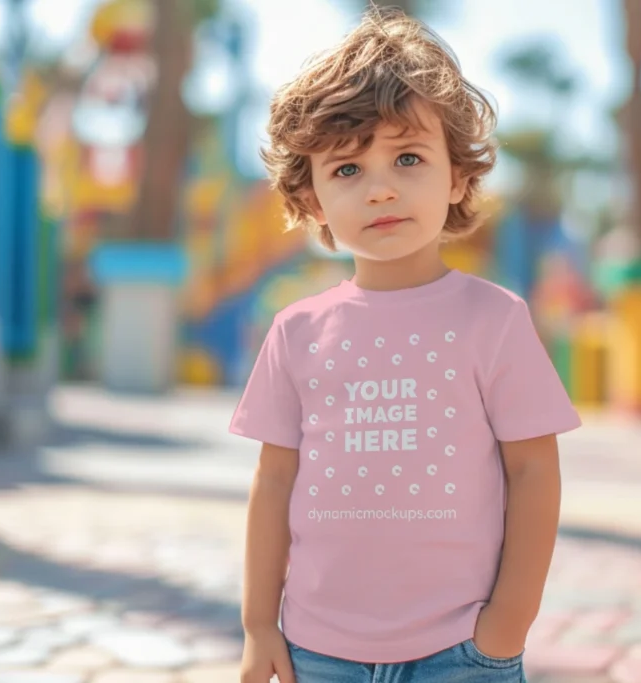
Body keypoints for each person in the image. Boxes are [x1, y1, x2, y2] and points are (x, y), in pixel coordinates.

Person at [230, 7, 581, 682]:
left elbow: (534, 472)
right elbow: (273, 483)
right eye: (347, 170)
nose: (381, 186)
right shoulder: (295, 332)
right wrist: (257, 623)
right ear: (311, 202)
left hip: (463, 648)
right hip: (317, 648)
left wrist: (508, 623)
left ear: (457, 177)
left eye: (409, 157)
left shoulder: (495, 318)